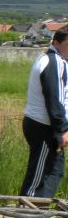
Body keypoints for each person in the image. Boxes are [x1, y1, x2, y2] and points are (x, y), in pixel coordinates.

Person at [20, 29, 68, 198]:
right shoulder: (55, 62)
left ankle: (39, 209)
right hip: (44, 126)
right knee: (39, 176)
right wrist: (62, 129)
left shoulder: (49, 58)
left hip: (43, 124)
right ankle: (27, 211)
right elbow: (55, 99)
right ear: (56, 42)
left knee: (55, 170)